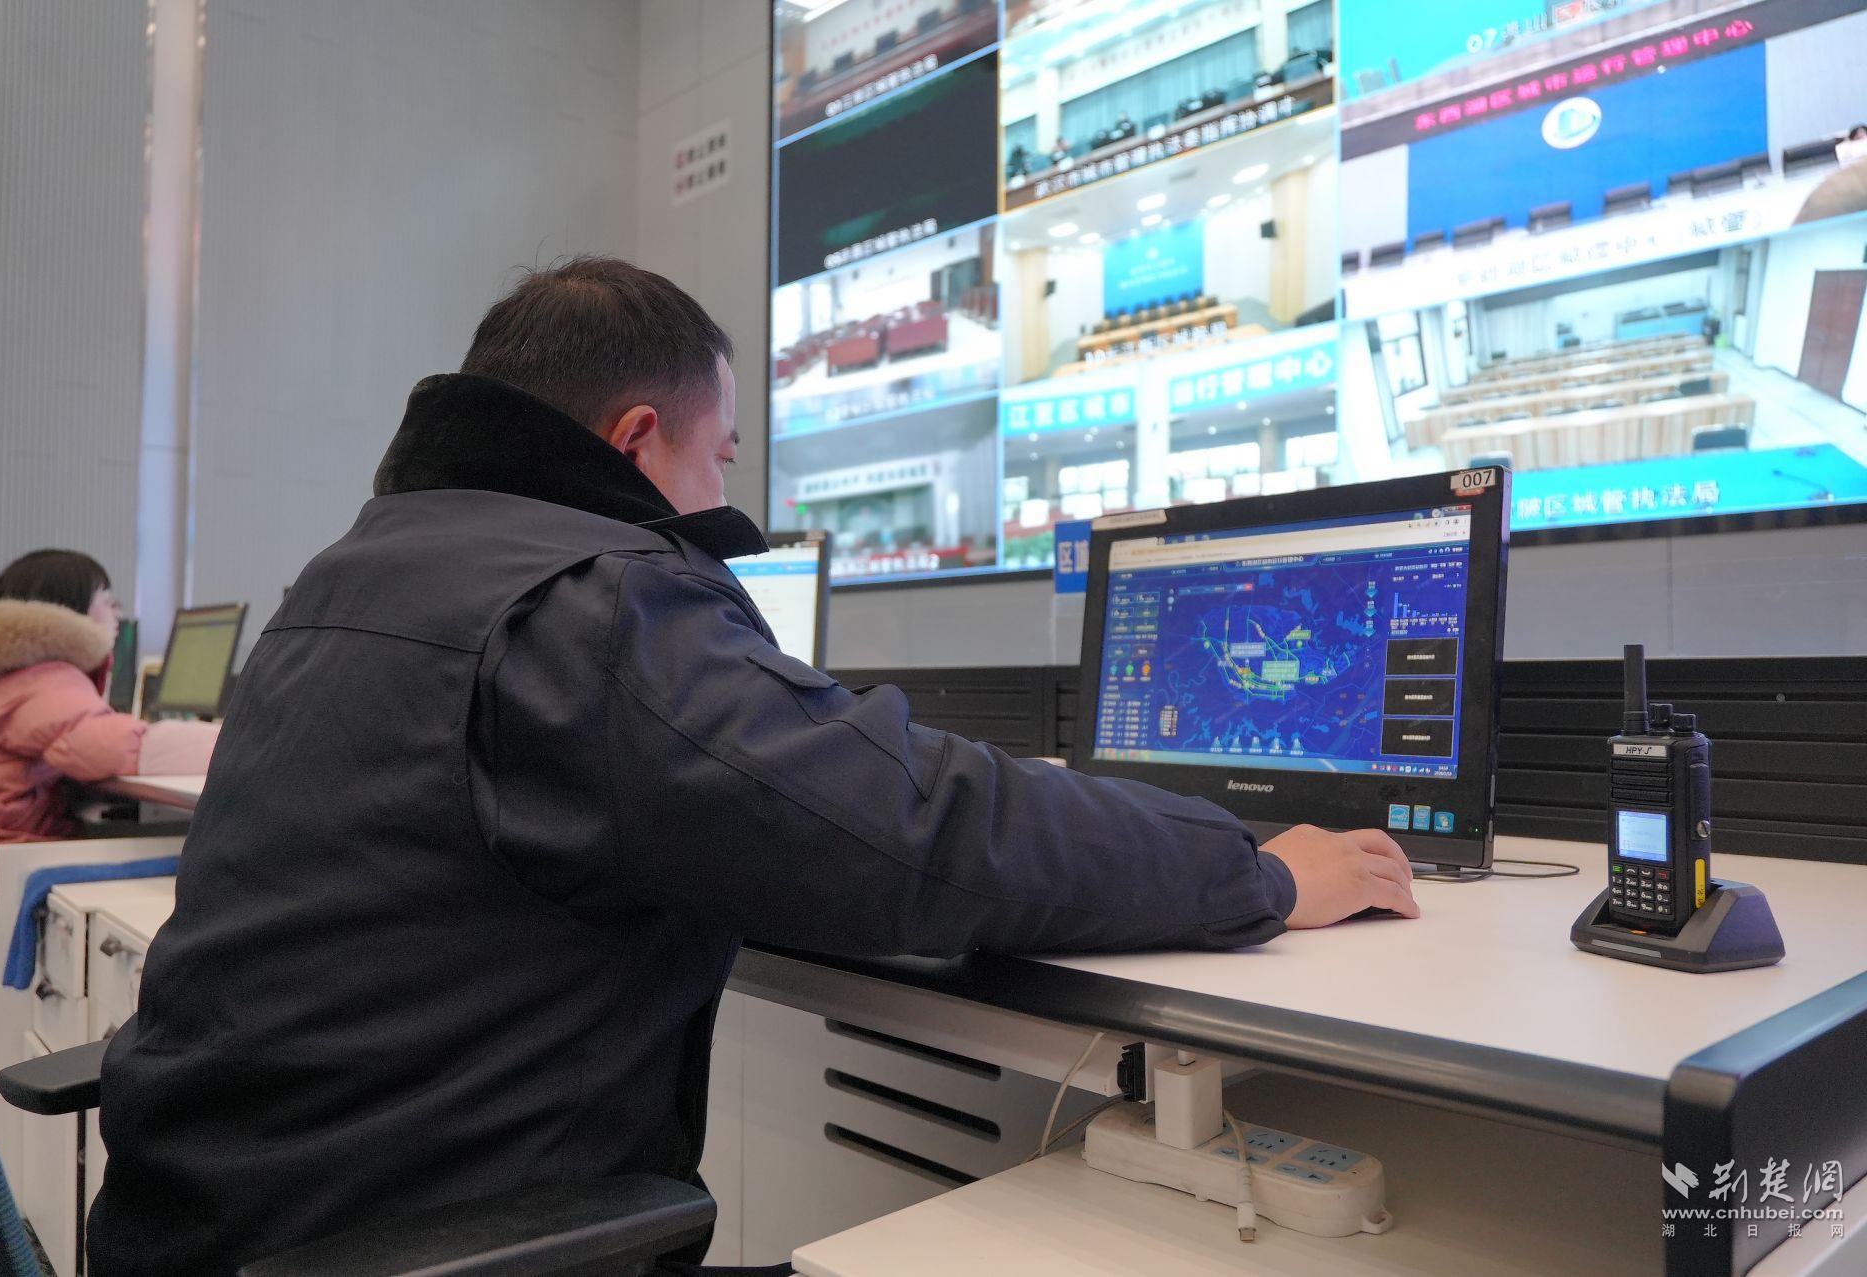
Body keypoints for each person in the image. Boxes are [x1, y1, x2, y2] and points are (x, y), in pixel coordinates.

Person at [89, 257, 1417, 1277]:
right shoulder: (590, 597)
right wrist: (1255, 871)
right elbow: (915, 828)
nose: (723, 489)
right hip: (401, 1234)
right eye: (720, 456)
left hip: (210, 1216)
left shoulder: (355, 571)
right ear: (635, 440)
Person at [0, 552, 218, 932]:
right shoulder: (37, 678)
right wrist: (248, 735)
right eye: (107, 599)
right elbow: (113, 747)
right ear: (69, 609)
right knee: (203, 870)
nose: (118, 612)